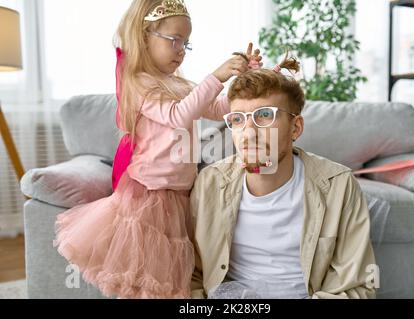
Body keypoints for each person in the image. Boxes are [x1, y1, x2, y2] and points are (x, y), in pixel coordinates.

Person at [53, 0, 261, 299]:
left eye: (186, 44)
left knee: (170, 280)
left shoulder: (178, 84)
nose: (180, 50)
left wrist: (244, 81)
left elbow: (217, 109)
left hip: (178, 195)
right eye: (174, 40)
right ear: (144, 36)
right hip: (148, 196)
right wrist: (216, 76)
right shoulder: (139, 83)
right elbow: (178, 116)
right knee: (145, 278)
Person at [190, 55, 377, 299]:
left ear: (295, 128)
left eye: (265, 116)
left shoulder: (338, 186)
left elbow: (359, 286)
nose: (248, 133)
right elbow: (190, 275)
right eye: (238, 119)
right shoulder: (210, 183)